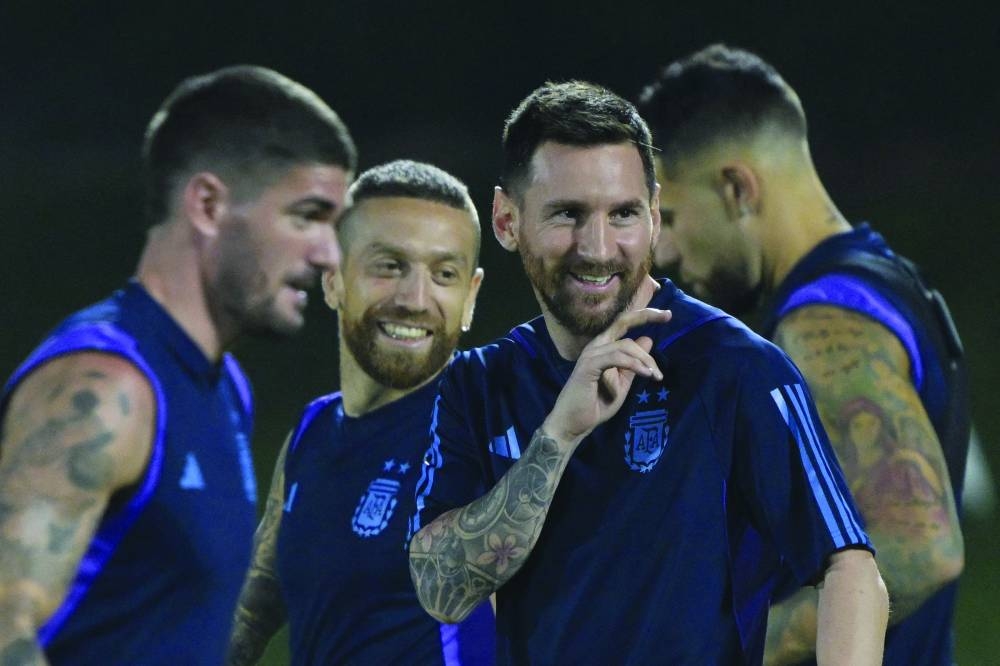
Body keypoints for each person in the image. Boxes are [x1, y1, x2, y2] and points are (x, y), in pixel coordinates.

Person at [408, 81, 888, 665]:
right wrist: (558, 436)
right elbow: (440, 589)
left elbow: (848, 568)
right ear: (507, 220)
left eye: (623, 214)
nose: (598, 247)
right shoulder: (479, 384)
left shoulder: (734, 369)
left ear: (655, 217)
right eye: (568, 214)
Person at [0, 66, 357, 665]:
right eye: (307, 216)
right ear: (209, 205)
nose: (329, 254)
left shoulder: (225, 387)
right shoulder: (105, 388)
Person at [637, 44, 968, 665]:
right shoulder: (884, 283)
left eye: (672, 217)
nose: (667, 252)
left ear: (736, 188)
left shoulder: (825, 322)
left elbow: (920, 551)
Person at [227, 160, 495, 665]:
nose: (415, 299)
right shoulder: (312, 432)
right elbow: (249, 611)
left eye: (444, 274)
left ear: (470, 296)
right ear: (333, 278)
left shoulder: (488, 433)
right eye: (389, 266)